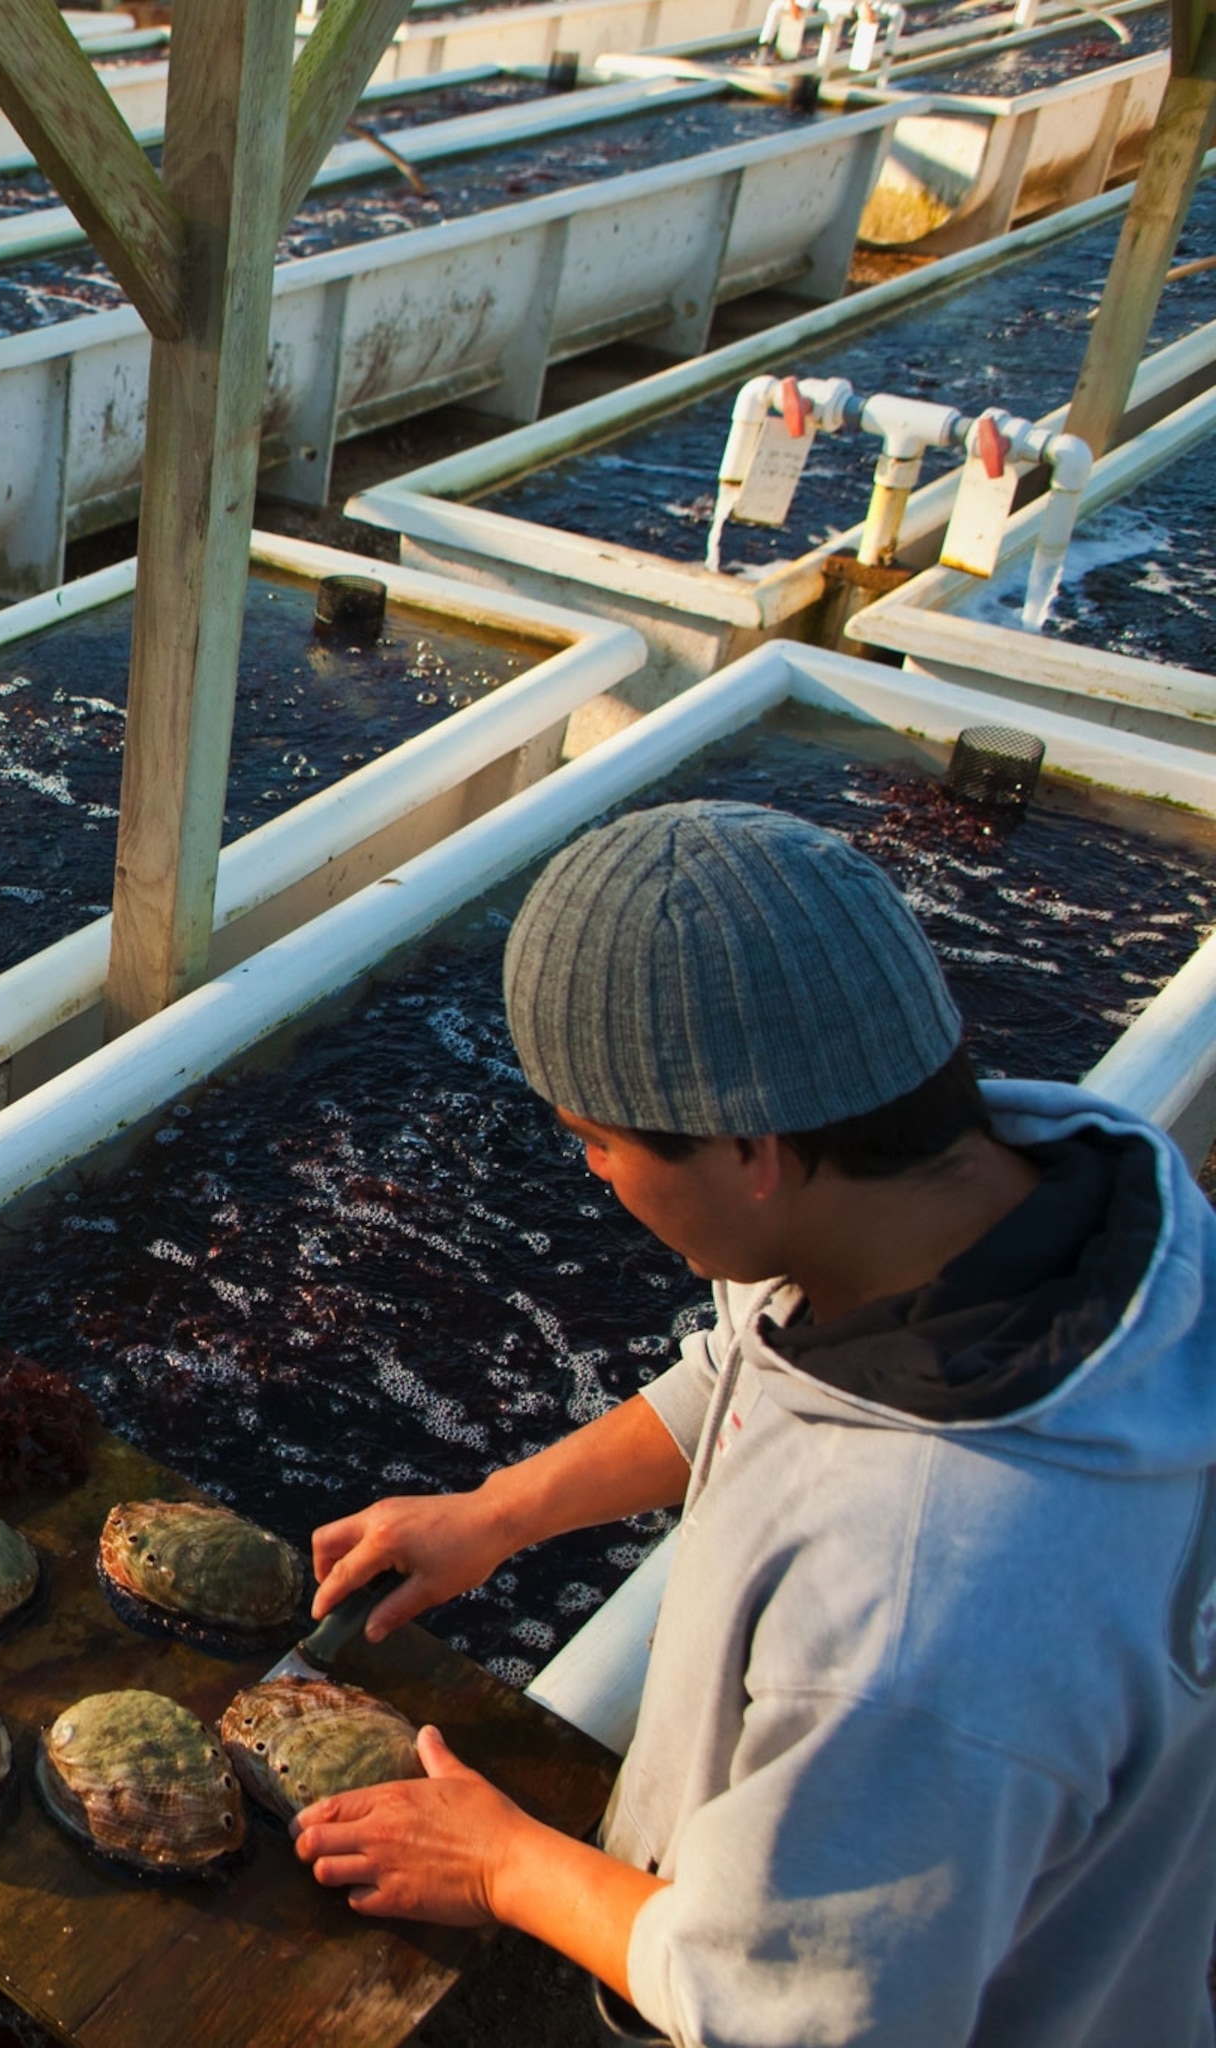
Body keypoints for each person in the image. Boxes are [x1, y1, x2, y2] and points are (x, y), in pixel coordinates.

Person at [288, 799, 1216, 2046]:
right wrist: (499, 1511)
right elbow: (751, 1364)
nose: (593, 1174)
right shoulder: (1037, 1223)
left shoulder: (913, 1618)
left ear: (751, 1148)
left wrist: (510, 1862)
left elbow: (797, 2010)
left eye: (599, 1140)